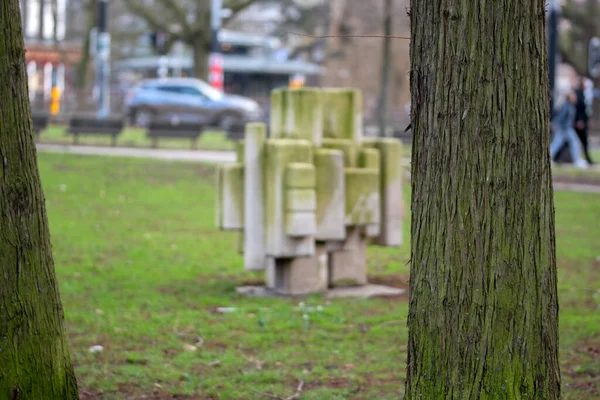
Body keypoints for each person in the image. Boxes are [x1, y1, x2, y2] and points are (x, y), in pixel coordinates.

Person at [550, 82, 588, 169]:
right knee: (568, 143)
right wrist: (554, 124)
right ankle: (577, 161)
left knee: (566, 143)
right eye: (573, 96)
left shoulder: (569, 105)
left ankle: (577, 160)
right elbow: (561, 116)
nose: (575, 97)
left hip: (567, 128)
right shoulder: (566, 106)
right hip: (564, 129)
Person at [574, 78, 595, 165]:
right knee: (577, 141)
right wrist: (579, 120)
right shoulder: (578, 94)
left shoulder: (583, 94)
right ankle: (581, 159)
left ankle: (586, 159)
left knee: (582, 141)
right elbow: (578, 109)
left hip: (583, 121)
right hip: (579, 122)